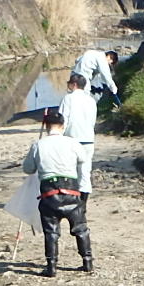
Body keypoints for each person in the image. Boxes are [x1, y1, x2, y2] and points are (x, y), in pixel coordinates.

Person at [23, 107, 92, 277]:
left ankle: (51, 267)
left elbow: (28, 169)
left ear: (46, 126)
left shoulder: (38, 145)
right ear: (63, 125)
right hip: (72, 192)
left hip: (49, 195)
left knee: (51, 232)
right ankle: (88, 262)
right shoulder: (73, 143)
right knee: (81, 229)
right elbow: (83, 163)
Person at [59, 72, 98, 203]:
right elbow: (93, 121)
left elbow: (63, 119)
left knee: (69, 171)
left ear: (74, 84)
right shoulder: (91, 100)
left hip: (72, 138)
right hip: (88, 139)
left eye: (69, 83)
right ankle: (83, 203)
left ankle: (71, 199)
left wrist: (58, 136)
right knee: (85, 171)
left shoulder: (68, 98)